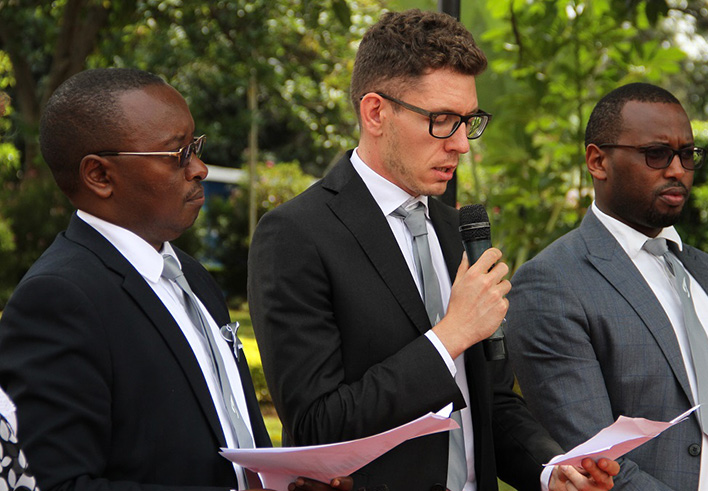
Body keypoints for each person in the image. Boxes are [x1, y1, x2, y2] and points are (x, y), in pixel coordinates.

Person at [248, 9, 619, 491]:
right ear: (375, 112)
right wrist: (449, 337)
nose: (462, 144)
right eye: (443, 121)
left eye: (469, 121)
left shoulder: (460, 231)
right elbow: (318, 424)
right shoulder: (296, 234)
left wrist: (552, 470)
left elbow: (494, 403)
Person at [0, 68, 350, 491]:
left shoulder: (191, 276)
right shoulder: (58, 299)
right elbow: (57, 485)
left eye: (195, 147)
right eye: (177, 154)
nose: (200, 168)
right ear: (99, 176)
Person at [504, 82, 708, 490]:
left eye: (687, 154)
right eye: (656, 154)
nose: (676, 170)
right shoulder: (551, 283)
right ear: (598, 161)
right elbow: (596, 457)